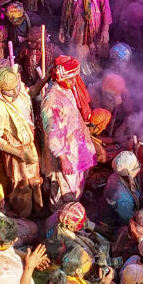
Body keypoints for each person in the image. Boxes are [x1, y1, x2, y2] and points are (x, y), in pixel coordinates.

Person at [39, 56, 97, 210]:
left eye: (75, 78)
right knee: (64, 189)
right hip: (64, 153)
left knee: (75, 185)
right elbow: (52, 132)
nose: (74, 82)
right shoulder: (52, 100)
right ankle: (60, 218)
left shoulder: (68, 89)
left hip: (75, 146)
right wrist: (62, 158)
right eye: (71, 78)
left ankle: (73, 210)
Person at [0, 68, 41, 217]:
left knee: (35, 181)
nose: (15, 92)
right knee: (21, 185)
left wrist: (44, 80)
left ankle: (37, 210)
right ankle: (24, 216)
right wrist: (20, 153)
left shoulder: (18, 88)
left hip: (30, 145)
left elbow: (29, 93)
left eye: (16, 87)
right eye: (10, 90)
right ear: (1, 90)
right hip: (16, 153)